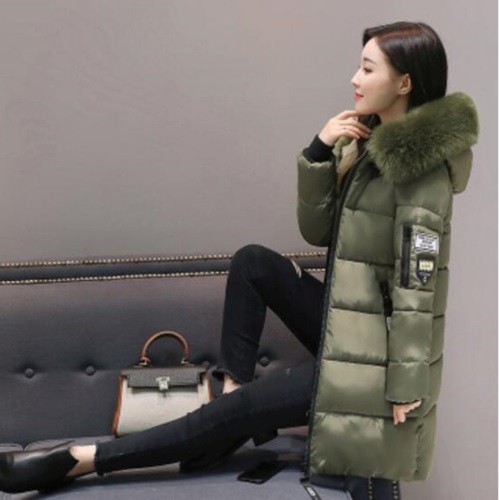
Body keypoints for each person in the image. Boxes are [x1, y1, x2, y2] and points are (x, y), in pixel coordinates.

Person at [0, 20, 478, 500]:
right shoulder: (368, 145)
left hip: (375, 361)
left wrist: (405, 385)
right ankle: (231, 399)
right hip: (348, 324)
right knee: (254, 263)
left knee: (235, 413)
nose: (355, 79)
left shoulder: (421, 171)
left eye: (368, 69)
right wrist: (320, 151)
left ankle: (82, 460)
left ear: (404, 83)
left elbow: (417, 283)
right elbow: (317, 232)